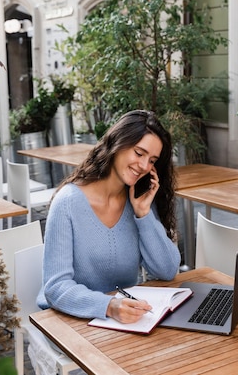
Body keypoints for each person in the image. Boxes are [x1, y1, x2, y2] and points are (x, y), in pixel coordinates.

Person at [37, 110, 180, 324]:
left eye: (152, 161)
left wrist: (144, 215)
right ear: (118, 143)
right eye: (139, 153)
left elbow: (167, 270)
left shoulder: (138, 201)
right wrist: (109, 306)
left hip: (122, 322)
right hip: (70, 320)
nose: (143, 166)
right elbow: (56, 288)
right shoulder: (67, 202)